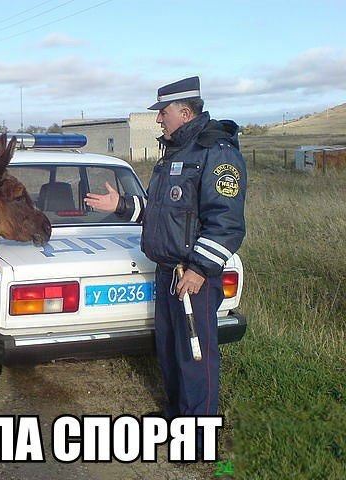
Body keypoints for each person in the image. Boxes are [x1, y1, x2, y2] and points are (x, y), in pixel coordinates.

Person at [85, 76, 246, 451]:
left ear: (185, 112)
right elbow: (163, 213)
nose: (159, 118)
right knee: (171, 349)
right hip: (168, 272)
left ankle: (198, 435)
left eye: (164, 112)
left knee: (195, 355)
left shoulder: (216, 152)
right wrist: (121, 206)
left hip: (193, 276)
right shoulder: (174, 152)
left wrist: (199, 269)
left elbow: (227, 223)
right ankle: (177, 418)